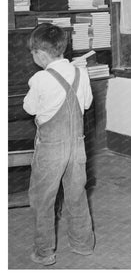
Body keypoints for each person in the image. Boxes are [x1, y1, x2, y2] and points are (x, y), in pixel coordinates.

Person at [23, 23, 95, 266]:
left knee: (43, 198)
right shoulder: (81, 73)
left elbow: (29, 108)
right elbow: (85, 105)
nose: (33, 58)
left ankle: (44, 252)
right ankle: (83, 244)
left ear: (41, 54)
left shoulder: (40, 78)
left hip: (51, 148)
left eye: (33, 54)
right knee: (76, 194)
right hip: (77, 147)